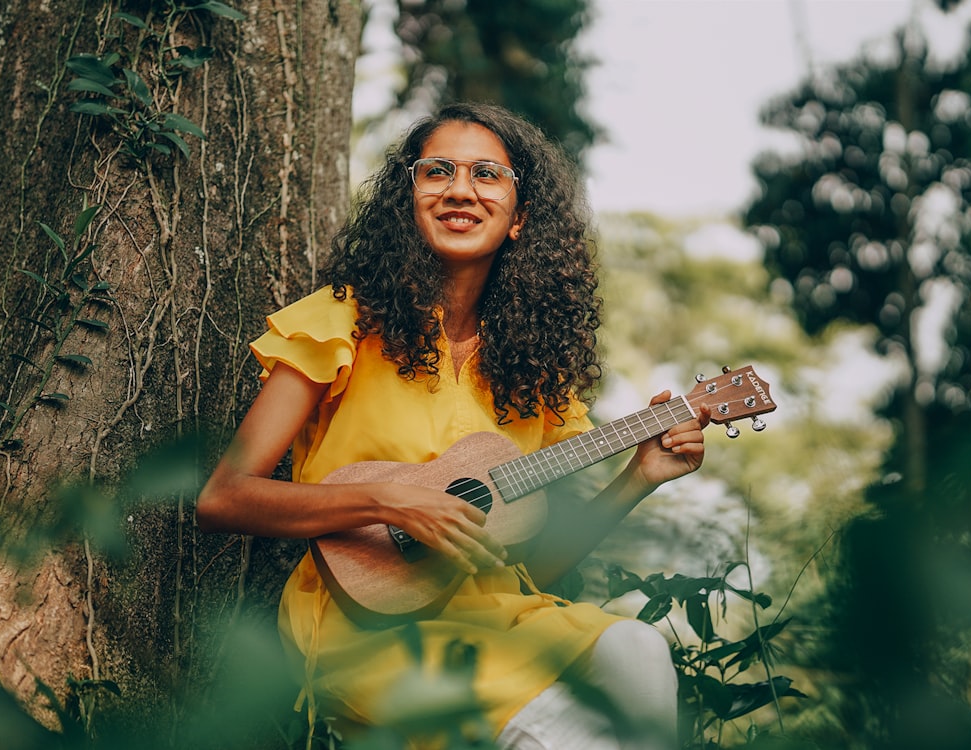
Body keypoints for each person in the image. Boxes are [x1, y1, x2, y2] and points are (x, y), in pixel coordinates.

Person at [196, 102, 710, 750]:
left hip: (501, 622)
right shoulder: (340, 322)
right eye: (437, 170)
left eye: (487, 174)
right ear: (407, 201)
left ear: (520, 217)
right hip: (370, 633)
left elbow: (526, 567)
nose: (460, 188)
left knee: (635, 650)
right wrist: (388, 500)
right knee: (566, 732)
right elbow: (222, 497)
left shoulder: (531, 374)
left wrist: (639, 478)